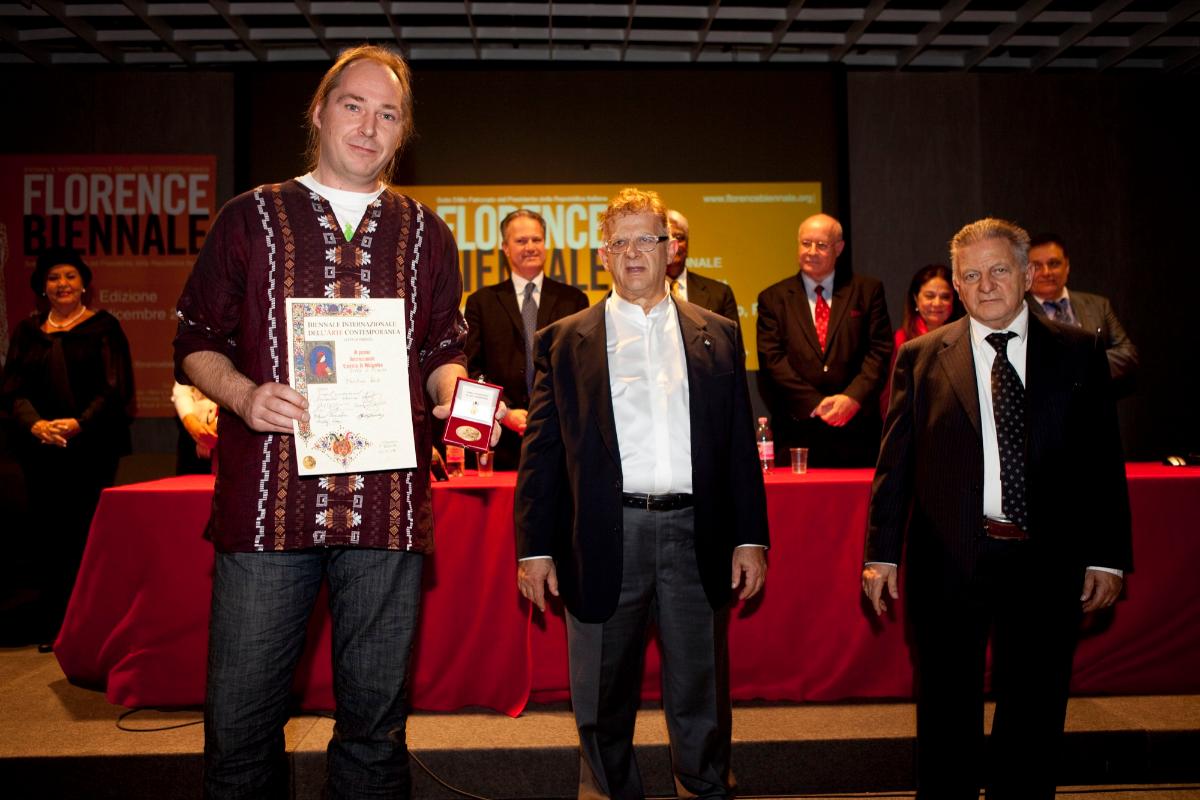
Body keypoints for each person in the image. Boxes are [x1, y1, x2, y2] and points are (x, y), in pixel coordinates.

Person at [173, 44, 498, 799]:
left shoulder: (427, 233)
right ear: (319, 113)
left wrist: (453, 393)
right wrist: (244, 395)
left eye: (388, 114)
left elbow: (442, 350)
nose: (369, 127)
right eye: (353, 106)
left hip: (387, 508)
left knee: (375, 733)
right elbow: (194, 340)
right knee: (241, 727)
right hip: (268, 507)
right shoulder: (250, 217)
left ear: (403, 132)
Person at [862, 218, 1132, 799]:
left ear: (1027, 275)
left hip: (1046, 563)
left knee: (1033, 717)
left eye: (999, 270)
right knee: (945, 717)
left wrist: (1107, 557)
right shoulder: (920, 357)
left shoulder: (1080, 352)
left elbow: (1102, 464)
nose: (985, 285)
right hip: (947, 562)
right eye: (971, 275)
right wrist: (881, 555)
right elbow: (895, 466)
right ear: (957, 285)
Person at [515, 188, 769, 800]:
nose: (633, 253)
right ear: (604, 254)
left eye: (646, 239)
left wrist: (750, 537)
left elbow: (739, 445)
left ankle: (704, 788)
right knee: (601, 699)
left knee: (701, 695)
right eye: (619, 242)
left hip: (696, 536)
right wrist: (534, 550)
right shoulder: (563, 340)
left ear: (669, 248)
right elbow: (541, 454)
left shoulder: (718, 333)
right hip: (605, 537)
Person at [1, 246, 134, 649]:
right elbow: (13, 390)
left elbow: (115, 388)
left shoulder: (104, 327)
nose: (62, 284)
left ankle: (88, 629)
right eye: (54, 278)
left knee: (84, 536)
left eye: (70, 276)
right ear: (43, 287)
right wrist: (36, 424)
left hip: (90, 450)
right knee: (47, 539)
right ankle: (54, 627)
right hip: (40, 450)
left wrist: (78, 424)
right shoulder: (27, 332)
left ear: (84, 284)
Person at [756, 213, 892, 467]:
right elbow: (772, 361)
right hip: (797, 432)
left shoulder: (867, 291)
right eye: (805, 243)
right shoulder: (773, 298)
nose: (811, 252)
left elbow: (879, 352)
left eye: (821, 245)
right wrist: (816, 404)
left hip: (857, 433)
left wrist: (852, 398)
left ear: (838, 248)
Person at [464, 208, 588, 469]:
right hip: (501, 441)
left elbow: (582, 370)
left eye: (536, 239)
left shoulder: (574, 301)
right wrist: (503, 411)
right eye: (521, 241)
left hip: (560, 439)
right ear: (505, 248)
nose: (530, 247)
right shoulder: (481, 303)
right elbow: (472, 370)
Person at [1027, 232, 1138, 395]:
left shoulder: (1099, 305)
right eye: (1037, 266)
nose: (1046, 272)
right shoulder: (1019, 313)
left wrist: (1081, 365)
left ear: (1067, 266)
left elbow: (1128, 355)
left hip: (1099, 402)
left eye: (1054, 263)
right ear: (1026, 272)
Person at [880, 264, 963, 415]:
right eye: (930, 296)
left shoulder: (964, 339)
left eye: (945, 297)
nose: (937, 303)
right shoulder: (901, 341)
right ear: (915, 299)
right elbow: (890, 397)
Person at [666, 209, 739, 322]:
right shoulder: (641, 293)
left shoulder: (720, 294)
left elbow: (730, 334)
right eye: (667, 238)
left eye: (679, 237)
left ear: (688, 243)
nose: (673, 244)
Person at [172, 381, 218, 474]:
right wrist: (194, 427)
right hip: (190, 437)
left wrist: (217, 425)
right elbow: (181, 392)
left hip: (226, 435)